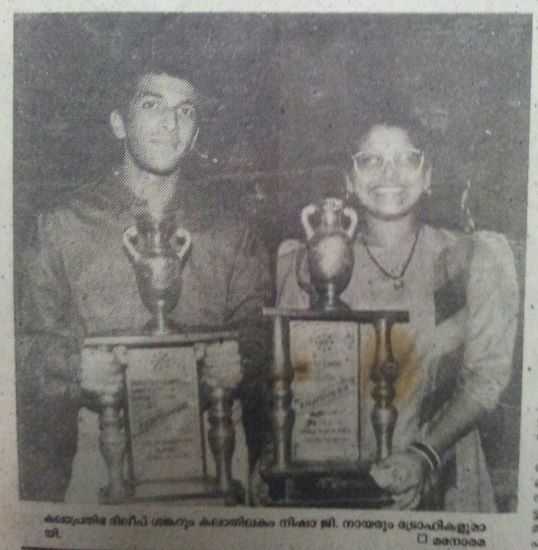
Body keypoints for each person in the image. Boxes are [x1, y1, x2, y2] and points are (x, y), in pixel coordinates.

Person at [17, 57, 270, 502]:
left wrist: (242, 360)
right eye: (152, 105)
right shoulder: (61, 227)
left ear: (195, 135)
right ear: (119, 122)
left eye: (186, 111)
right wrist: (75, 367)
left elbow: (262, 332)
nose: (171, 124)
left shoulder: (232, 232)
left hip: (217, 451)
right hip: (103, 456)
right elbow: (22, 347)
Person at [272, 112, 519, 511]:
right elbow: (286, 382)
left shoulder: (470, 260)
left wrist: (423, 456)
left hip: (443, 477)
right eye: (371, 160)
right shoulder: (314, 265)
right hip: (337, 487)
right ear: (349, 182)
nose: (389, 173)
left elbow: (486, 380)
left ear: (428, 176)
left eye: (406, 158)